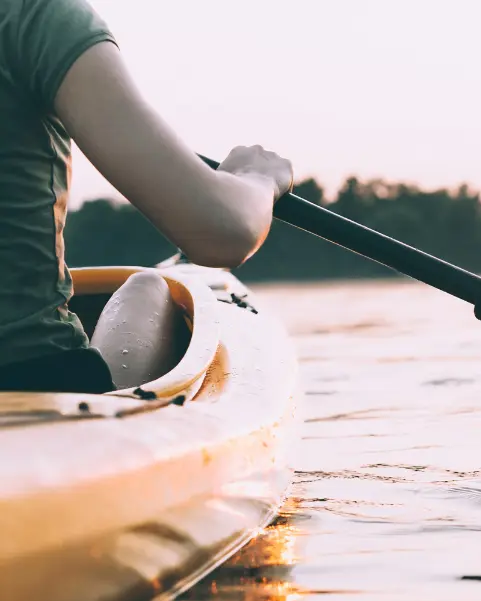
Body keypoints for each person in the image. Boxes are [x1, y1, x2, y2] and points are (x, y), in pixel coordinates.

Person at [0, 0, 293, 394]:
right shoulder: (32, 15)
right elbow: (223, 232)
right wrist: (258, 178)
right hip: (35, 381)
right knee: (148, 288)